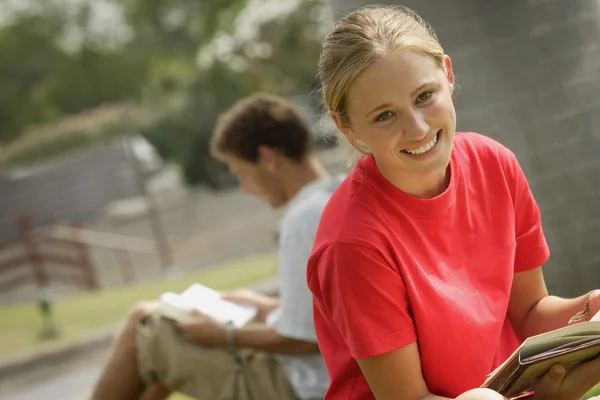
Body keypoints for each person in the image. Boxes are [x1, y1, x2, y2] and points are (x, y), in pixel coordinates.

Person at [305, 5, 600, 400]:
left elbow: (529, 313)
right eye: (385, 116)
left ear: (447, 72)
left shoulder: (494, 164)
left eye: (424, 96)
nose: (418, 128)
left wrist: (589, 308)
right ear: (346, 125)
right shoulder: (353, 243)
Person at [91, 92, 343, 400]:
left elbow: (305, 338)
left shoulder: (302, 219)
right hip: (314, 374)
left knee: (144, 326)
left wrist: (225, 335)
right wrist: (266, 307)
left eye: (242, 174)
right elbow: (334, 316)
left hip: (303, 387)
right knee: (165, 356)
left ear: (267, 158)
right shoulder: (338, 197)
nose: (246, 189)